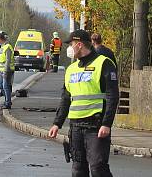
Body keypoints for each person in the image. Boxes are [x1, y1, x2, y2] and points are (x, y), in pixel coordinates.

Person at [49, 29, 119, 177]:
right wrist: (57, 123)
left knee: (98, 168)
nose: (69, 48)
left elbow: (112, 95)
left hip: (96, 126)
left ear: (79, 44)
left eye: (71, 44)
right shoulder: (71, 69)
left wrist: (107, 124)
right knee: (78, 169)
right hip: (75, 127)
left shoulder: (103, 63)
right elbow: (66, 98)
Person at [0, 32, 15, 109]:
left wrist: (6, 71)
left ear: (0, 39)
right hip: (2, 70)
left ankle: (8, 103)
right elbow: (2, 59)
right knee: (0, 85)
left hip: (8, 70)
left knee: (5, 86)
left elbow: (8, 60)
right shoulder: (3, 47)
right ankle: (7, 99)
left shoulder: (8, 47)